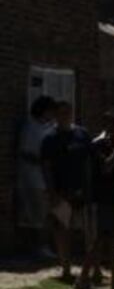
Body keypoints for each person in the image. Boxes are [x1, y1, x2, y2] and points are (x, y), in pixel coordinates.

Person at [78, 112, 114, 289]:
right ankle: (83, 277)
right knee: (98, 240)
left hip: (113, 200)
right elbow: (106, 169)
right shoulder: (98, 145)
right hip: (97, 199)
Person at [41, 101, 92, 282]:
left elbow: (89, 161)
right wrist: (52, 192)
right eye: (61, 113)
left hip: (81, 190)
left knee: (87, 232)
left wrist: (89, 187)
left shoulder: (81, 134)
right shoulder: (50, 138)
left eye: (68, 112)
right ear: (56, 115)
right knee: (62, 231)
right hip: (61, 191)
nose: (65, 116)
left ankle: (90, 269)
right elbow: (46, 167)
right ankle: (66, 269)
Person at [16, 96, 57, 256]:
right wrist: (43, 161)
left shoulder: (49, 127)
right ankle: (39, 246)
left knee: (47, 213)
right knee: (37, 214)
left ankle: (45, 245)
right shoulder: (31, 128)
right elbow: (25, 153)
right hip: (33, 178)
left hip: (47, 178)